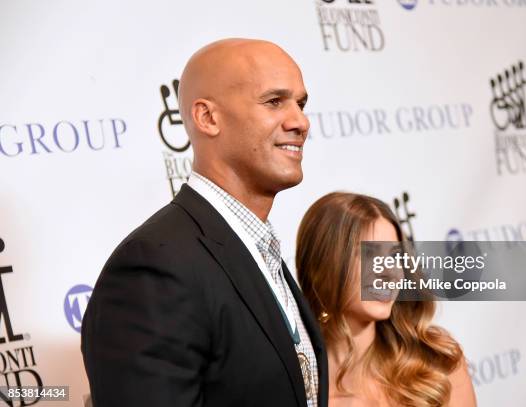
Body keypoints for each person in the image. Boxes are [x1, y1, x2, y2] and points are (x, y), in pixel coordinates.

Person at [81, 38, 327, 407]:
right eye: (274, 101)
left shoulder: (257, 249)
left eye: (301, 103)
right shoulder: (154, 268)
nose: (301, 121)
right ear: (207, 118)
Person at [296, 192, 476, 407]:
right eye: (368, 255)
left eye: (394, 256)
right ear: (323, 265)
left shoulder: (438, 365)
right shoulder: (298, 391)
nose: (389, 273)